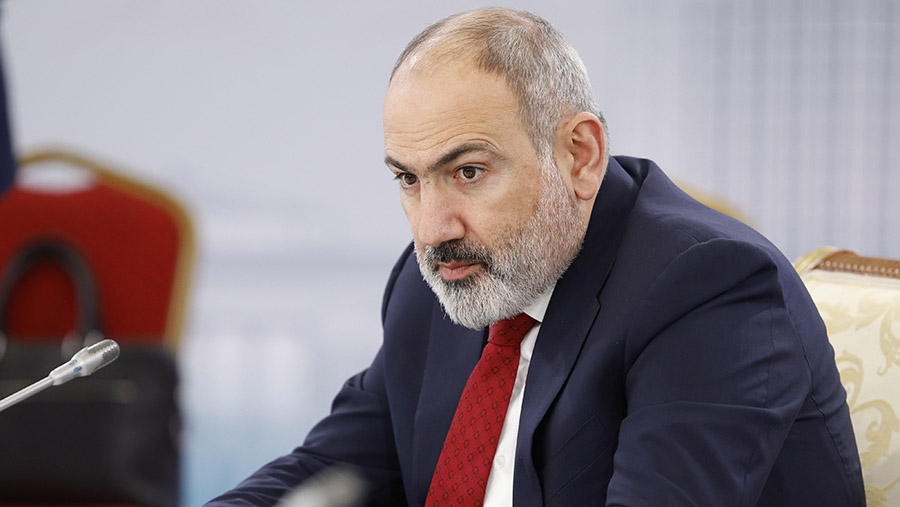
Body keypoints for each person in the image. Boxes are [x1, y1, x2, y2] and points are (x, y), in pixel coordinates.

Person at [207, 8, 864, 506]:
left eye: (467, 172)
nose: (432, 229)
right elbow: (326, 475)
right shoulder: (439, 280)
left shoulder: (707, 287)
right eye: (408, 179)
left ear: (580, 155)